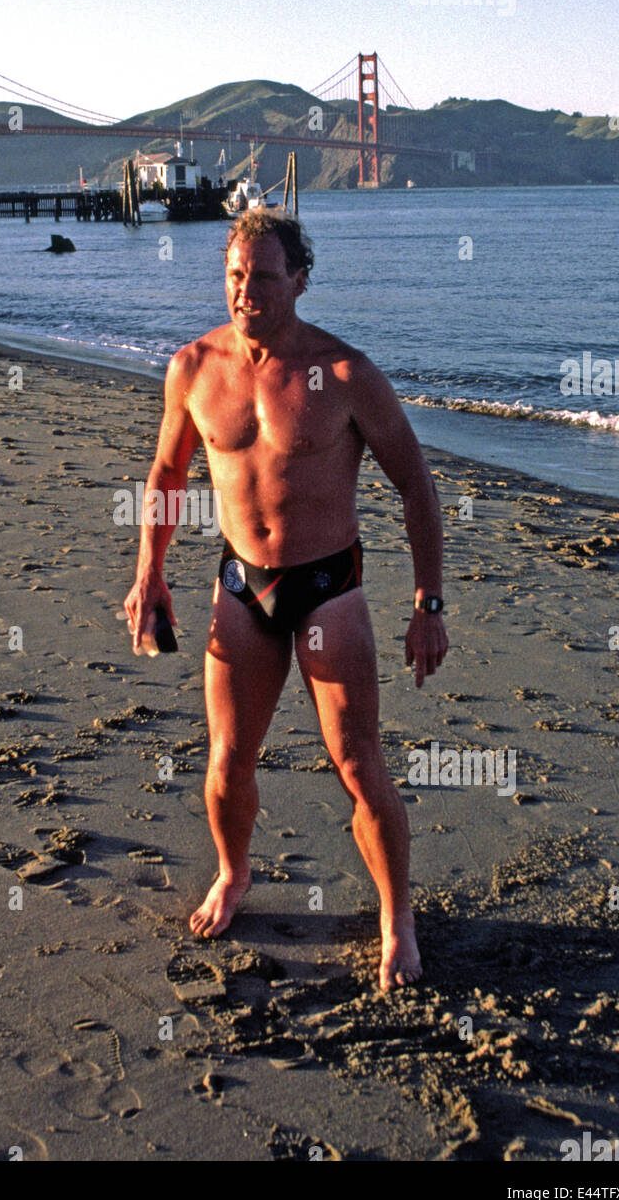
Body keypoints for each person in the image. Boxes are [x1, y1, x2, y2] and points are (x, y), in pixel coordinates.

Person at [123, 208, 447, 989]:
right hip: (241, 584)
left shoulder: (344, 375)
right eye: (235, 276)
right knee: (228, 758)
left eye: (263, 278)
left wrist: (427, 605)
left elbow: (416, 486)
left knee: (357, 762)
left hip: (326, 587)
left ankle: (394, 915)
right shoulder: (194, 367)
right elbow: (168, 478)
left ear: (298, 281)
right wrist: (149, 573)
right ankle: (233, 874)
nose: (246, 292)